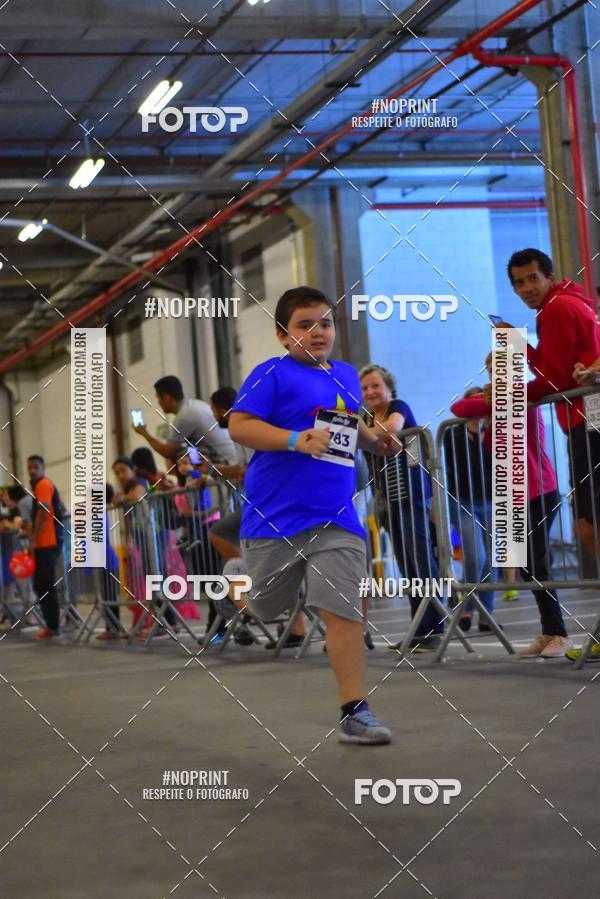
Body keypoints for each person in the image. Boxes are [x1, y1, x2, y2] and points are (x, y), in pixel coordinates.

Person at [221, 286, 394, 744]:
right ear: (282, 335)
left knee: (342, 610)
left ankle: (355, 709)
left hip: (334, 514)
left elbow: (348, 423)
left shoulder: (345, 375)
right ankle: (238, 578)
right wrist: (296, 439)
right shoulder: (269, 374)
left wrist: (374, 441)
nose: (318, 332)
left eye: (326, 322)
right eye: (305, 325)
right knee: (266, 607)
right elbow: (239, 426)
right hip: (275, 518)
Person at [452, 351, 572, 658]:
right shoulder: (493, 401)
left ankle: (559, 633)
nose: (496, 375)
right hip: (516, 495)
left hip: (541, 488)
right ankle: (549, 631)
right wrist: (490, 399)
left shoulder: (525, 394)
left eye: (502, 369)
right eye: (491, 370)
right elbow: (460, 407)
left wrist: (497, 398)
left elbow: (540, 388)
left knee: (538, 561)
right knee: (528, 565)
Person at [500, 249, 600, 563]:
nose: (527, 288)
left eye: (533, 278)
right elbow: (556, 372)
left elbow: (553, 381)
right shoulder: (569, 304)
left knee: (588, 522)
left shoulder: (555, 309)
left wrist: (511, 391)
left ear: (550, 278)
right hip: (586, 419)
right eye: (519, 282)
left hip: (588, 422)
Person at [360, 364, 445, 653]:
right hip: (388, 499)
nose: (370, 392)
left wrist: (370, 434)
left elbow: (393, 428)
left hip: (412, 493)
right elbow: (375, 440)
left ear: (388, 388)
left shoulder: (399, 406)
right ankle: (419, 627)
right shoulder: (367, 417)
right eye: (365, 388)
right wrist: (374, 435)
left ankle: (434, 626)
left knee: (421, 558)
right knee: (407, 563)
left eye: (375, 386)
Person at [444, 386, 496, 632]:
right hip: (462, 501)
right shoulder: (452, 432)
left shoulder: (494, 430)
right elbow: (458, 467)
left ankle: (487, 614)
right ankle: (466, 607)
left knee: (490, 561)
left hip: (491, 500)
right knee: (477, 556)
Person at [132, 375, 236, 466]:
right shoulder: (196, 405)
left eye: (159, 399)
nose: (159, 403)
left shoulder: (185, 416)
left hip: (225, 464)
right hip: (230, 458)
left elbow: (167, 452)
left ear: (167, 398)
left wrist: (144, 433)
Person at [26, 455, 65, 640]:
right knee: (41, 584)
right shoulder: (39, 486)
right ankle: (51, 625)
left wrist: (33, 539)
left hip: (48, 542)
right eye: (30, 467)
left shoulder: (43, 485)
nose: (32, 470)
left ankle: (53, 626)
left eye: (35, 467)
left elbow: (43, 511)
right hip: (44, 542)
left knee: (46, 584)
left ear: (42, 468)